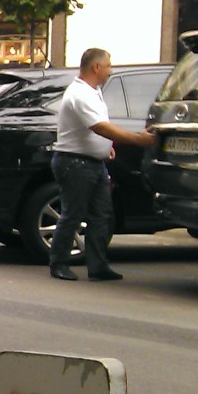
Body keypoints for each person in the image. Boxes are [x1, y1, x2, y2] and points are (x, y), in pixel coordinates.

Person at [48, 48, 156, 281]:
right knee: (73, 214)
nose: (110, 70)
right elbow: (100, 127)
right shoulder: (79, 94)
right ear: (96, 67)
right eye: (108, 65)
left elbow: (97, 129)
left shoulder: (92, 91)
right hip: (75, 163)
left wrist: (105, 147)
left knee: (102, 215)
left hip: (92, 163)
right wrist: (138, 139)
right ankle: (58, 262)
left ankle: (97, 266)